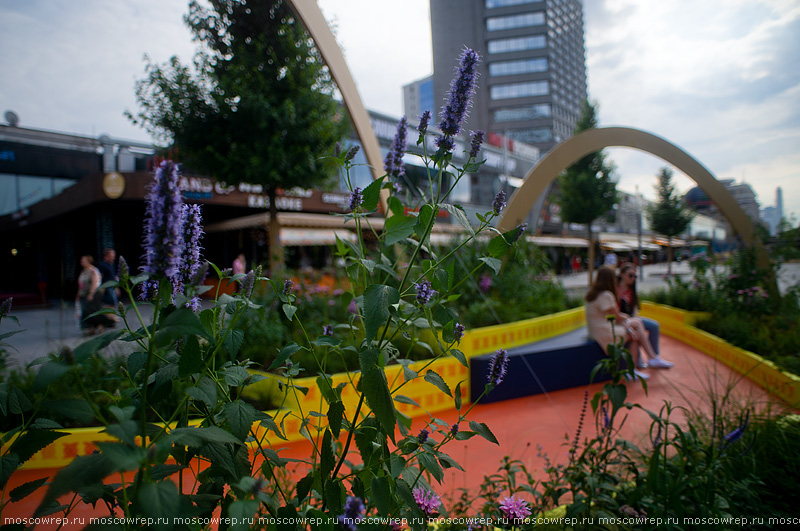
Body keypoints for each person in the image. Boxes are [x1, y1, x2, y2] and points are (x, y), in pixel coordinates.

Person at [585, 266, 657, 381]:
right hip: (604, 333)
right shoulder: (606, 295)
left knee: (636, 324)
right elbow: (617, 317)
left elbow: (615, 316)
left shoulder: (593, 294)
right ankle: (636, 367)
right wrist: (629, 325)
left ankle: (650, 359)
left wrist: (627, 322)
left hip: (595, 331)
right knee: (636, 333)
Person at [617, 262, 674, 369]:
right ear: (622, 275)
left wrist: (634, 319)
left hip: (631, 319)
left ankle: (655, 356)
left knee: (653, 326)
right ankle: (645, 358)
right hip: (621, 320)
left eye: (635, 276)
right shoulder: (616, 291)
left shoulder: (632, 291)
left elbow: (635, 310)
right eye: (630, 275)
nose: (633, 278)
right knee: (637, 327)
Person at [76, 255, 113, 335]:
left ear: (89, 262)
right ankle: (91, 328)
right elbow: (81, 284)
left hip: (94, 294)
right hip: (84, 294)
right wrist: (78, 294)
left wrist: (91, 294)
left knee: (94, 310)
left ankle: (102, 324)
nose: (81, 263)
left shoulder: (93, 271)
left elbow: (94, 283)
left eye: (83, 261)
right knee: (86, 311)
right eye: (81, 261)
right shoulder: (83, 271)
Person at [97, 248, 120, 321]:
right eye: (111, 256)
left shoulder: (110, 265)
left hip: (112, 287)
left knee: (112, 303)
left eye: (114, 256)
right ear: (106, 256)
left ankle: (111, 317)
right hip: (107, 288)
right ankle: (109, 318)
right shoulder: (103, 265)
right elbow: (100, 277)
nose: (113, 257)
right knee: (109, 303)